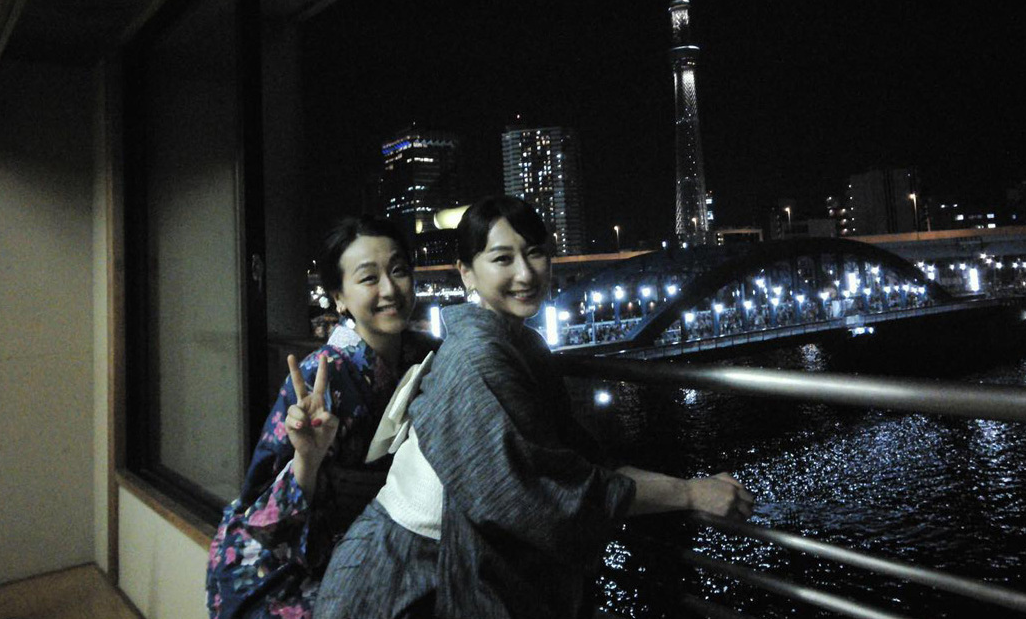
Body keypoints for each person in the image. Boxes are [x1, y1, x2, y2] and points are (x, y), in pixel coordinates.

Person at [316, 196, 754, 619]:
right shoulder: (477, 357)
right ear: (467, 273)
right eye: (502, 259)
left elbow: (576, 463)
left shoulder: (520, 344)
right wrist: (689, 494)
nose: (525, 273)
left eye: (535, 253)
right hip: (397, 581)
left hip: (422, 568)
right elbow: (544, 496)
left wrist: (687, 486)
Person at [206, 216, 437, 618]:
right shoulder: (322, 375)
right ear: (339, 298)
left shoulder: (427, 356)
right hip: (285, 565)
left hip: (373, 544)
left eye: (399, 270)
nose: (389, 289)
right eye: (369, 278)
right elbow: (261, 508)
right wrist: (306, 460)